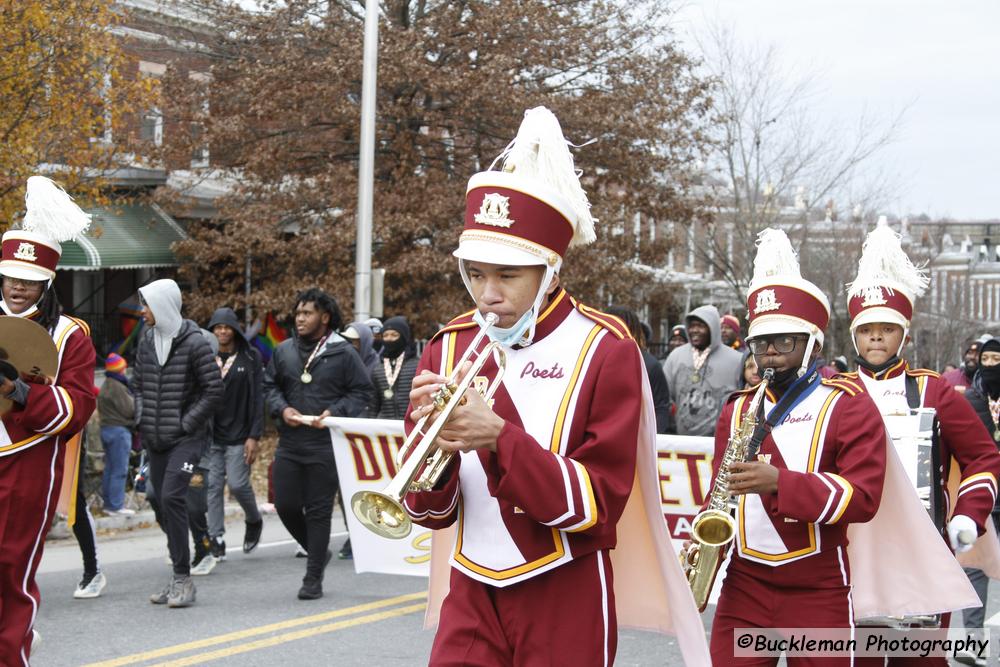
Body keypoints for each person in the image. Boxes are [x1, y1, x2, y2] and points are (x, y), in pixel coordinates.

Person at [402, 107, 708, 666]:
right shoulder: (447, 344)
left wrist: (499, 438)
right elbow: (427, 513)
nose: (486, 294)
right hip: (471, 585)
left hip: (564, 583)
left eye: (506, 275)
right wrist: (430, 450)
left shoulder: (605, 348)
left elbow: (596, 505)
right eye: (474, 273)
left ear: (550, 271)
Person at [841, 223, 1000, 667]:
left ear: (904, 335)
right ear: (853, 334)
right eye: (867, 328)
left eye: (887, 328)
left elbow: (983, 457)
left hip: (921, 551)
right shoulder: (833, 392)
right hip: (852, 553)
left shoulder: (934, 392)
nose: (876, 337)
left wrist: (969, 514)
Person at [0, 176, 97, 661]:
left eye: (29, 279)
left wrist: (18, 390)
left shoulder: (69, 336)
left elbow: (76, 410)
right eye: (11, 277)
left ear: (46, 282)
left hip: (26, 466)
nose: (18, 286)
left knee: (10, 573)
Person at [263, 288, 372, 600]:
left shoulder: (343, 352)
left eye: (307, 313)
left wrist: (334, 413)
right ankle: (317, 551)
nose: (300, 318)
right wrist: (282, 409)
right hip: (291, 440)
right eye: (298, 313)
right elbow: (269, 386)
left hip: (326, 444)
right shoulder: (283, 351)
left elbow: (361, 392)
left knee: (319, 510)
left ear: (324, 317)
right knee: (285, 504)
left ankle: (313, 578)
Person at [134, 279, 222, 608]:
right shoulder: (146, 340)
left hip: (186, 439)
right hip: (155, 438)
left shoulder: (195, 343)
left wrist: (185, 423)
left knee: (172, 495)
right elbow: (138, 384)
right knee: (158, 498)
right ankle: (177, 577)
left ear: (163, 306)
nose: (142, 311)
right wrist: (143, 417)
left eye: (147, 305)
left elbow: (214, 391)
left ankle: (184, 579)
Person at [205, 307, 265, 560]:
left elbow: (258, 400)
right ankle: (215, 537)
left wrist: (254, 436)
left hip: (240, 435)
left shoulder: (249, 358)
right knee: (212, 486)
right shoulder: (206, 355)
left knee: (239, 485)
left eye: (226, 327)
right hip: (211, 435)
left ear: (235, 330)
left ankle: (254, 519)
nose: (222, 331)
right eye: (217, 327)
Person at [661, 305, 742, 436]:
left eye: (700, 326)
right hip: (680, 442)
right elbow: (664, 397)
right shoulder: (676, 356)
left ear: (713, 328)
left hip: (719, 443)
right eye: (692, 326)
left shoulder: (736, 360)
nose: (694, 330)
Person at [606, 305, 674, 434]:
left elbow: (660, 409)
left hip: (635, 439)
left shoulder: (649, 365)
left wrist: (652, 440)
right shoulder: (593, 360)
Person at [98, 353, 135, 515]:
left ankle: (108, 504)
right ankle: (116, 505)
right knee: (119, 469)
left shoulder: (107, 384)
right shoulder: (118, 386)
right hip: (119, 431)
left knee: (110, 468)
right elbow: (129, 410)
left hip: (106, 429)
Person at [368, 316, 419, 421]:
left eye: (394, 335)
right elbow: (373, 406)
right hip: (384, 428)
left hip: (412, 426)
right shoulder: (378, 369)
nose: (389, 339)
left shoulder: (417, 365)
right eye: (385, 335)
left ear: (404, 337)